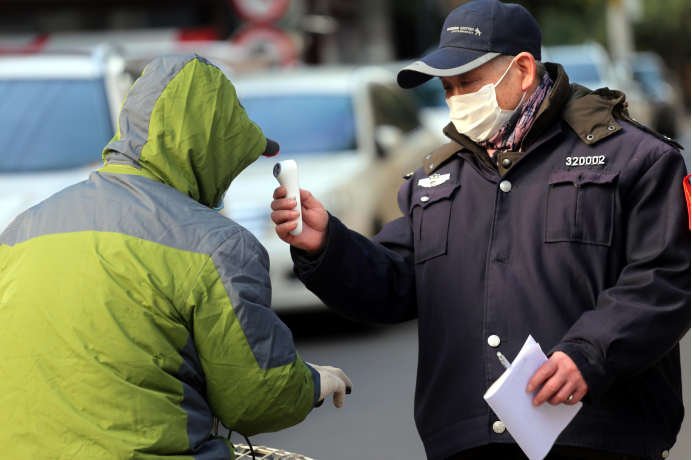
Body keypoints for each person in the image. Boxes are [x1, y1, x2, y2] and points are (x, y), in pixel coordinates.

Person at [270, 1, 691, 459]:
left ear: (524, 70)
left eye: (468, 82)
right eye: (447, 87)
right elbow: (394, 282)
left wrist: (590, 354)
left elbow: (665, 279)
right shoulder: (435, 181)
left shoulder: (635, 158)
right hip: (467, 440)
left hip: (599, 434)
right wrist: (327, 244)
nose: (456, 99)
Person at [0, 54, 352, 459]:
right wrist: (311, 383)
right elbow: (255, 399)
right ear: (213, 154)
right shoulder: (218, 244)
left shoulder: (20, 229)